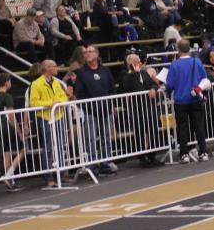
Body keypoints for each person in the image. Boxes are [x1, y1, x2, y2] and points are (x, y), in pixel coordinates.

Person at [73, 45, 117, 175]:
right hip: (90, 112)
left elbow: (112, 88)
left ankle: (106, 163)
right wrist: (88, 107)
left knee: (106, 137)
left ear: (97, 54)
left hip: (106, 110)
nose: (87, 54)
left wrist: (111, 104)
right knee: (90, 139)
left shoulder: (105, 70)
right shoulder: (81, 72)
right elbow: (79, 93)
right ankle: (92, 165)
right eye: (85, 52)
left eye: (90, 52)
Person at [165, 39, 210, 163]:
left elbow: (170, 85)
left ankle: (184, 154)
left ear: (178, 50)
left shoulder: (174, 65)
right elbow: (204, 79)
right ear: (189, 48)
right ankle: (203, 152)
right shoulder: (197, 61)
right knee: (199, 126)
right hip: (195, 98)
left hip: (181, 101)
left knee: (182, 128)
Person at [29, 60, 69, 188]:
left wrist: (59, 102)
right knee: (49, 147)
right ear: (47, 68)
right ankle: (49, 176)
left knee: (60, 145)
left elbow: (64, 96)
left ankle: (61, 173)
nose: (57, 68)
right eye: (54, 66)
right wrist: (50, 104)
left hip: (59, 116)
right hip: (46, 118)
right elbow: (34, 102)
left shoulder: (56, 82)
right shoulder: (36, 84)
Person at [120, 53, 163, 166]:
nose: (140, 63)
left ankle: (152, 156)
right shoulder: (127, 76)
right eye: (137, 61)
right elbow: (131, 87)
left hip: (149, 107)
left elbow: (154, 84)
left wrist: (153, 89)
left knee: (153, 131)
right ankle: (142, 158)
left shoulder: (144, 73)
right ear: (131, 64)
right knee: (140, 133)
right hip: (137, 109)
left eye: (139, 61)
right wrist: (135, 73)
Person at [0, 75, 24, 192]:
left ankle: (11, 181)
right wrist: (19, 132)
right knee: (24, 150)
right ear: (6, 83)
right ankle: (8, 175)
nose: (10, 84)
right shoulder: (7, 96)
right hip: (7, 125)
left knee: (6, 152)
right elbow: (11, 116)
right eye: (10, 81)